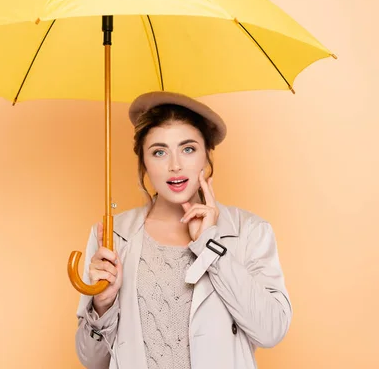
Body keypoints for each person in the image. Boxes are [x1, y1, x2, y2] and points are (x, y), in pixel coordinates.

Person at [74, 91, 292, 369]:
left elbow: (271, 330)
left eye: (188, 148)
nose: (174, 165)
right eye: (159, 152)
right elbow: (91, 360)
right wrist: (102, 304)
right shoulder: (112, 236)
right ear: (144, 162)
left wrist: (209, 245)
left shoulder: (249, 231)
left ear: (206, 156)